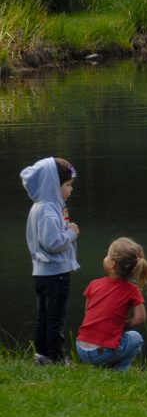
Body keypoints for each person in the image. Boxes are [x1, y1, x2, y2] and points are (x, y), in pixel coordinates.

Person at [20, 157, 80, 366]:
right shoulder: (48, 209)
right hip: (56, 273)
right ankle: (56, 357)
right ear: (54, 185)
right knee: (56, 319)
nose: (70, 190)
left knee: (44, 317)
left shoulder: (42, 207)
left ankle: (42, 354)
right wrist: (71, 233)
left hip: (42, 273)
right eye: (68, 185)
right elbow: (52, 242)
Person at [75, 238, 147, 371]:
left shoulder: (94, 284)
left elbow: (89, 314)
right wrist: (122, 326)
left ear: (112, 263)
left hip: (81, 348)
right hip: (103, 352)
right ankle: (119, 370)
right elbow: (141, 318)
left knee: (111, 343)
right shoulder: (133, 290)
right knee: (136, 338)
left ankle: (101, 366)